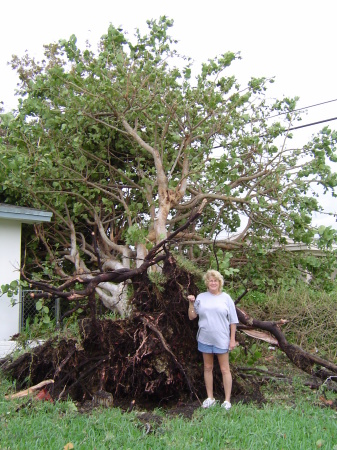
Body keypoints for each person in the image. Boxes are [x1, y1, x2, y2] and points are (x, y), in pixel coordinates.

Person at [188, 269, 239, 410]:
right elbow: (192, 316)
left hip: (222, 339)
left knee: (224, 369)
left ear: (219, 282)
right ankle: (210, 398)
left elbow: (233, 321)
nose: (213, 283)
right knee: (208, 367)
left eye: (215, 280)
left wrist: (232, 339)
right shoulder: (201, 297)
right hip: (205, 338)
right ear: (207, 282)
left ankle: (227, 401)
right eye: (210, 280)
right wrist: (191, 303)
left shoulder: (226, 298)